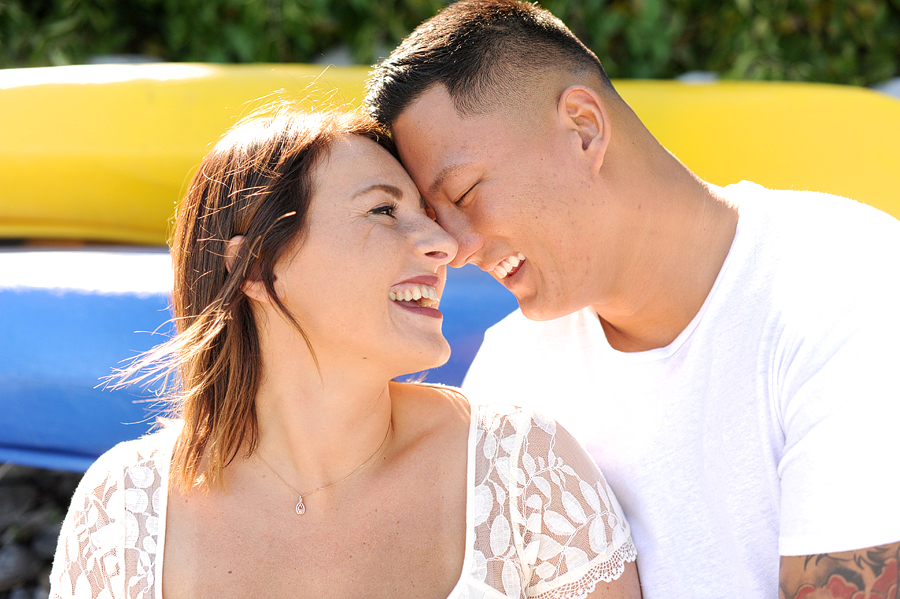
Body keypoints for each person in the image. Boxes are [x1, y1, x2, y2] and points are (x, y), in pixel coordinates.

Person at [364, 1, 900, 598]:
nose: (455, 248)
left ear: (584, 129)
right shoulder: (511, 371)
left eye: (463, 192)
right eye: (437, 217)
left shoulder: (853, 290)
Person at [48, 106, 641, 599]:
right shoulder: (124, 512)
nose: (443, 245)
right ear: (255, 264)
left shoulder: (522, 475)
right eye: (384, 211)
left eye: (429, 217)